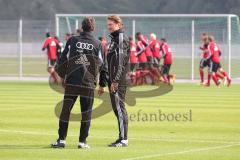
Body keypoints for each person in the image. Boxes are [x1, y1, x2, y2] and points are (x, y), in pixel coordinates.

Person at [51, 17, 108, 149]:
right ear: (93, 28)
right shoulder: (98, 44)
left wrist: (61, 76)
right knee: (86, 113)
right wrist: (102, 84)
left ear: (82, 27)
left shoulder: (72, 40)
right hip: (88, 84)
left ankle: (61, 140)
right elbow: (103, 66)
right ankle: (82, 142)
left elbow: (62, 59)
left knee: (65, 111)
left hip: (72, 82)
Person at [98, 15, 130, 147]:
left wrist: (115, 80)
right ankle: (121, 137)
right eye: (108, 24)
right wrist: (105, 82)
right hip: (113, 79)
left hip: (119, 80)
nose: (108, 27)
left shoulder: (121, 38)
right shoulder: (114, 39)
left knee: (120, 109)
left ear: (118, 24)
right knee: (117, 109)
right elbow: (108, 62)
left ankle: (124, 139)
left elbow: (120, 61)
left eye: (111, 24)